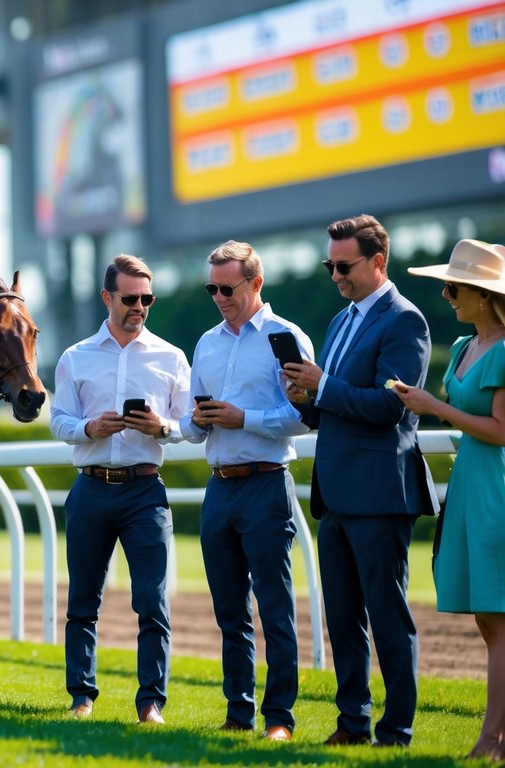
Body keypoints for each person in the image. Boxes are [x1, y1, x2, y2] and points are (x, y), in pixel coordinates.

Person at [282, 213, 433, 748]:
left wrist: (323, 386)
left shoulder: (405, 321)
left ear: (377, 261)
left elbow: (389, 408)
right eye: (329, 265)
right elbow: (336, 407)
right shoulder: (342, 320)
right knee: (343, 621)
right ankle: (352, 725)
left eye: (343, 266)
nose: (335, 275)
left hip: (379, 493)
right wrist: (306, 397)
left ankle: (397, 731)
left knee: (387, 619)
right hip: (337, 493)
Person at [179, 241, 312, 742]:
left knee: (275, 607)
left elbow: (304, 416)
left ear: (256, 284)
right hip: (221, 487)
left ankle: (279, 718)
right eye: (211, 288)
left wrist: (244, 418)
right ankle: (239, 712)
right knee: (229, 611)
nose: (218, 296)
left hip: (267, 484)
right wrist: (194, 421)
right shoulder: (207, 343)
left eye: (226, 288)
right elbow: (195, 430)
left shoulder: (287, 337)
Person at [50, 253, 190, 725]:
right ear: (108, 297)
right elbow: (59, 420)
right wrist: (90, 428)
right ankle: (81, 698)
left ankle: (151, 703)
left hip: (144, 492)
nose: (139, 307)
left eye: (147, 298)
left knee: (152, 601)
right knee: (82, 601)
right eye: (130, 298)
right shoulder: (75, 356)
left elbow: (190, 424)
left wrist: (161, 427)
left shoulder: (171, 356)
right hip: (90, 489)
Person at [397, 238, 505, 761]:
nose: (445, 295)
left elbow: (501, 430)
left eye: (454, 287)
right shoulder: (463, 348)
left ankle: (491, 739)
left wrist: (433, 406)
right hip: (470, 487)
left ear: (484, 294)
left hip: (496, 489)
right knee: (489, 621)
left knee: (499, 618)